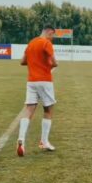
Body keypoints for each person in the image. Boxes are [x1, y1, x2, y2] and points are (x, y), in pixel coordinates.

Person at [17, 26, 58, 156]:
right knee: (48, 110)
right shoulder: (46, 43)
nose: (52, 38)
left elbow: (22, 62)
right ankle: (44, 141)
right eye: (53, 36)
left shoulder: (31, 43)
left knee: (29, 110)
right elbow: (54, 62)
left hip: (31, 81)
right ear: (49, 32)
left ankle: (21, 140)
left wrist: (35, 62)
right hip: (44, 80)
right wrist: (52, 64)